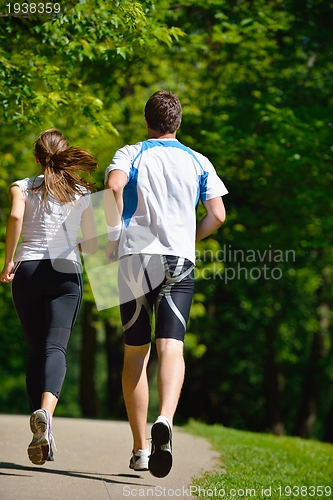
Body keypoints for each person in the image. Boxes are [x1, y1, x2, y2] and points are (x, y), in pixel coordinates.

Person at [104, 90, 228, 478]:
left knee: (135, 354)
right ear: (178, 123)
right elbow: (218, 214)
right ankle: (166, 419)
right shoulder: (198, 160)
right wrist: (189, 239)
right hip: (179, 259)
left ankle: (141, 448)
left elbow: (113, 187)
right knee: (171, 347)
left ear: (147, 121)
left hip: (135, 257)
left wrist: (111, 238)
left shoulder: (131, 152)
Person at [0, 128, 98, 465]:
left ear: (36, 157)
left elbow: (15, 216)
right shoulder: (82, 191)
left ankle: (40, 427)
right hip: (65, 271)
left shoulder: (22, 187)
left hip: (27, 270)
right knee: (55, 349)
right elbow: (91, 245)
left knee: (34, 353)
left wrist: (8, 260)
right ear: (64, 155)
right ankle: (46, 414)